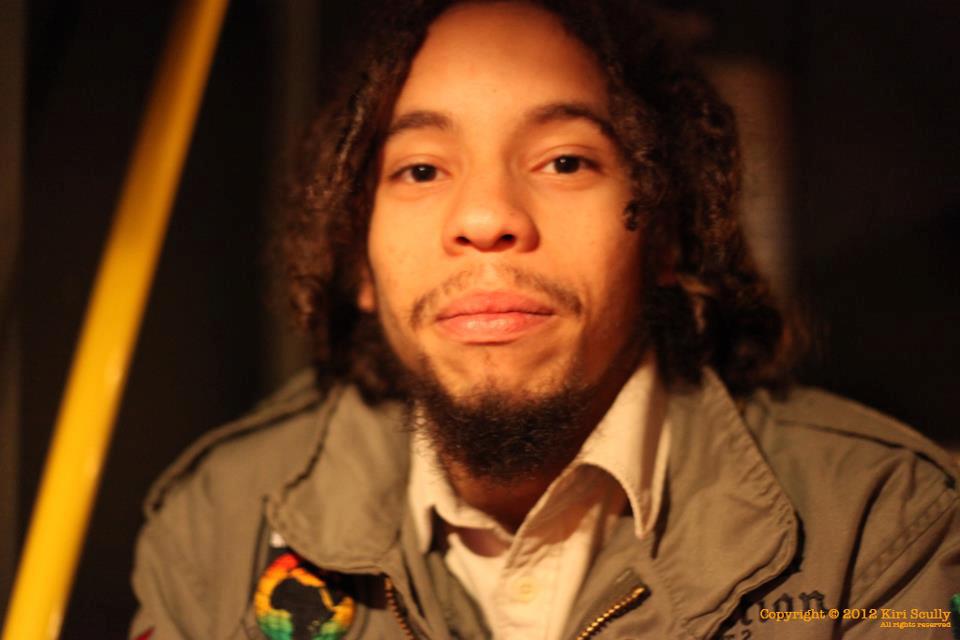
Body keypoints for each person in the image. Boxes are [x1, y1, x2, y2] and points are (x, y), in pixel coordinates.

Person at [129, 1, 960, 638]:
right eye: (420, 170)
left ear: (666, 236)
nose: (487, 216)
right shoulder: (215, 531)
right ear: (357, 264)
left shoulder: (882, 529)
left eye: (565, 161)